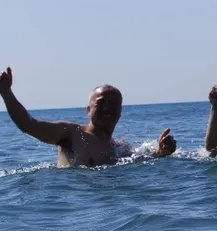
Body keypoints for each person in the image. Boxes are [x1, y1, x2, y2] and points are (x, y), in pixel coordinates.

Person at [0, 67, 177, 167]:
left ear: (120, 111)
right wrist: (6, 93)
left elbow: (145, 162)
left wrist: (161, 153)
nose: (107, 108)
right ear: (88, 109)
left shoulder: (121, 148)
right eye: (101, 103)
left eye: (113, 104)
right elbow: (29, 125)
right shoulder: (71, 134)